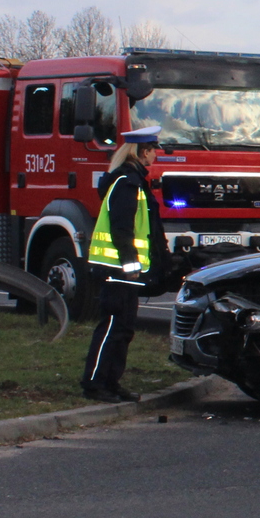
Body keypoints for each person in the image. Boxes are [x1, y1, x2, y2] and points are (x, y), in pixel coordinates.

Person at [82, 125, 168, 403]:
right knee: (112, 327)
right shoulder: (127, 183)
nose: (156, 154)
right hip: (117, 269)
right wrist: (131, 264)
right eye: (154, 149)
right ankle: (95, 384)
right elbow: (122, 229)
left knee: (124, 329)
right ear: (143, 152)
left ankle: (111, 382)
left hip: (125, 270)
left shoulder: (133, 181)